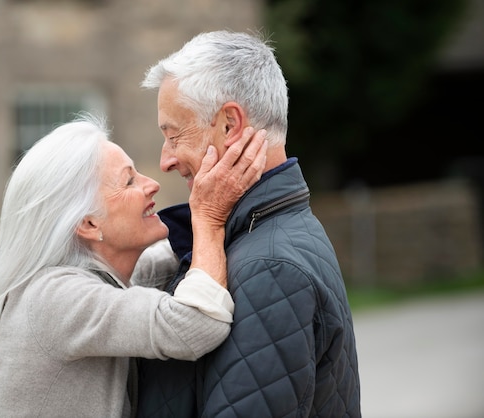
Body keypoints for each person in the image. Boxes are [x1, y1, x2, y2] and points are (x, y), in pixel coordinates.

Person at [0, 113, 267, 418]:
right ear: (88, 223)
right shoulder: (54, 297)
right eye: (129, 180)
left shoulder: (92, 282)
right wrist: (209, 216)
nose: (152, 184)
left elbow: (162, 263)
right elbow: (196, 325)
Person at [135, 30, 361, 417]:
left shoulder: (269, 267)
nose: (166, 161)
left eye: (174, 135)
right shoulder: (260, 236)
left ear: (229, 125)